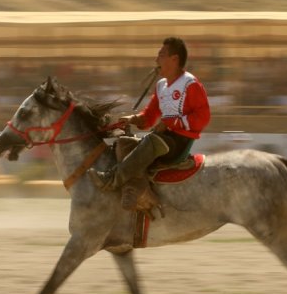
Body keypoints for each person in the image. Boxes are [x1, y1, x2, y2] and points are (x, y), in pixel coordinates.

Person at [88, 37, 211, 192]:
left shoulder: (190, 84)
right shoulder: (161, 86)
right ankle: (138, 190)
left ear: (174, 59)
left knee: (152, 141)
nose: (156, 59)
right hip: (162, 138)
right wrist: (133, 119)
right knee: (124, 142)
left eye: (161, 55)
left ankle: (111, 180)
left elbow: (203, 118)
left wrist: (169, 123)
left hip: (179, 142)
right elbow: (149, 117)